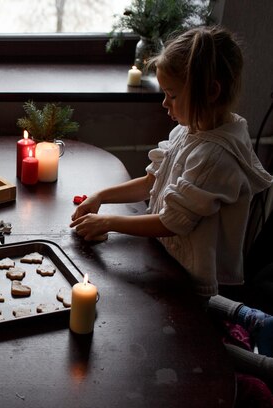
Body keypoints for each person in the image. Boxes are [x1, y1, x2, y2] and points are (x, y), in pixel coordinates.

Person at [70, 26, 273, 297]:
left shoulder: (215, 156)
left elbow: (170, 222)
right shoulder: (190, 129)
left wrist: (107, 223)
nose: (165, 103)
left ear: (211, 91)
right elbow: (150, 182)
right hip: (167, 260)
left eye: (173, 95)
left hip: (193, 282)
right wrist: (100, 197)